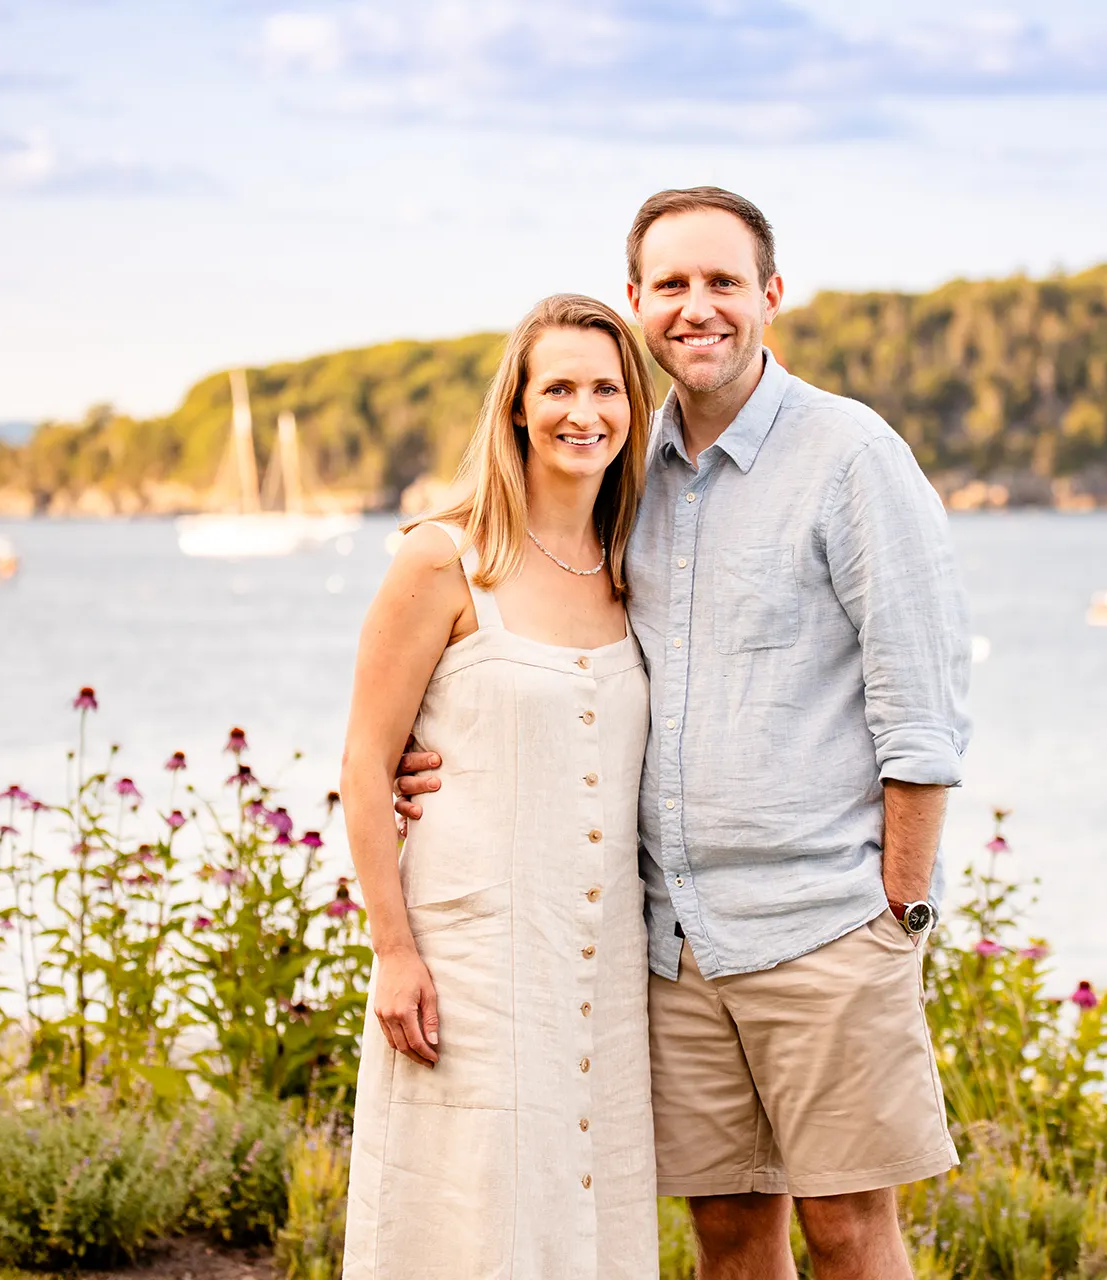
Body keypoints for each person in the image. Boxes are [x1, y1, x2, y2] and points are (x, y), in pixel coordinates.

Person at [397, 188, 973, 1280]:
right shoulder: (621, 473)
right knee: (726, 1235)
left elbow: (923, 708)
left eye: (721, 281)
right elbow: (544, 646)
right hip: (668, 942)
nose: (696, 306)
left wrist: (899, 905)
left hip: (823, 926)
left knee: (849, 1231)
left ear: (771, 295)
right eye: (671, 284)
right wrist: (444, 758)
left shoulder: (852, 456)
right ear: (637, 300)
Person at [340, 293, 660, 1279]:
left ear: (632, 407)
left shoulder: (634, 567)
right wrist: (395, 950)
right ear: (517, 406)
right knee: (466, 1216)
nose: (584, 410)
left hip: (604, 967)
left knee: (585, 1216)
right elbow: (362, 762)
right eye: (557, 386)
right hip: (472, 954)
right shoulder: (445, 557)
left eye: (606, 387)